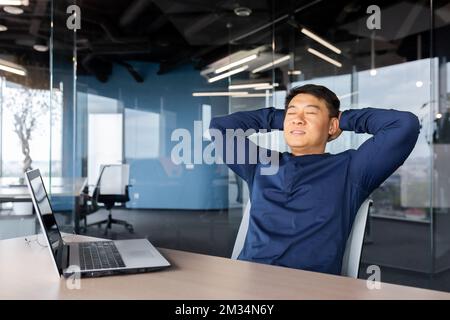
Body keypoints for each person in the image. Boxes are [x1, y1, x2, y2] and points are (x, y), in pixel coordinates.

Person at [209, 84, 420, 275]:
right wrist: (281, 118)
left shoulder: (352, 169)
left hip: (310, 285)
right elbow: (220, 128)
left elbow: (405, 125)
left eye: (310, 113)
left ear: (331, 126)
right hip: (251, 278)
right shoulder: (260, 163)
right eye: (291, 112)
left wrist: (342, 120)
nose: (298, 119)